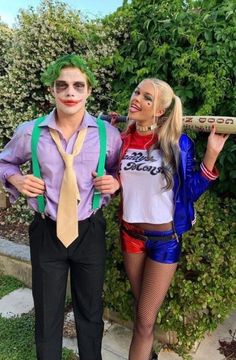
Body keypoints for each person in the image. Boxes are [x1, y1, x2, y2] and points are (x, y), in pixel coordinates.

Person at [0, 54, 121, 360]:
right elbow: (4, 162)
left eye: (78, 85)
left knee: (91, 313)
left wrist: (116, 181)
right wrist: (16, 178)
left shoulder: (109, 135)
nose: (70, 92)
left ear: (89, 90)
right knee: (47, 314)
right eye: (62, 85)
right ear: (52, 90)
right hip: (46, 231)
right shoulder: (31, 132)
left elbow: (121, 169)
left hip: (90, 231)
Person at [118, 78, 229, 360]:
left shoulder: (177, 143)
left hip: (164, 242)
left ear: (159, 111)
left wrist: (211, 155)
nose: (137, 99)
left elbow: (189, 192)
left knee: (143, 321)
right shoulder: (123, 140)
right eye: (136, 92)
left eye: (147, 98)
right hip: (131, 236)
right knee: (142, 313)